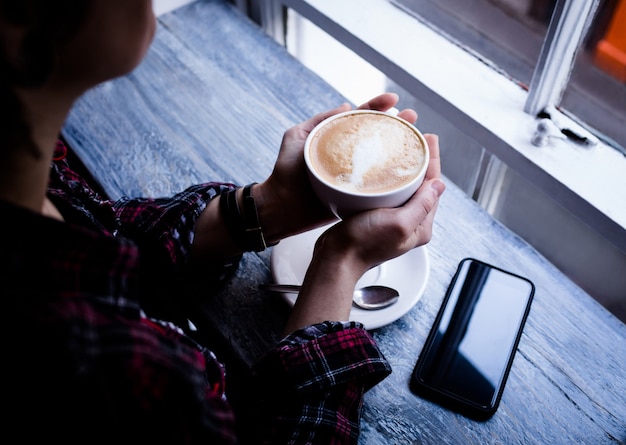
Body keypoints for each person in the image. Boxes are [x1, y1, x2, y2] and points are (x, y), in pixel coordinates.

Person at [0, 0, 445, 443]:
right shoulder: (92, 365)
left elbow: (106, 236)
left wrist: (270, 206)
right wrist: (340, 261)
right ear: (14, 26)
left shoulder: (31, 183)